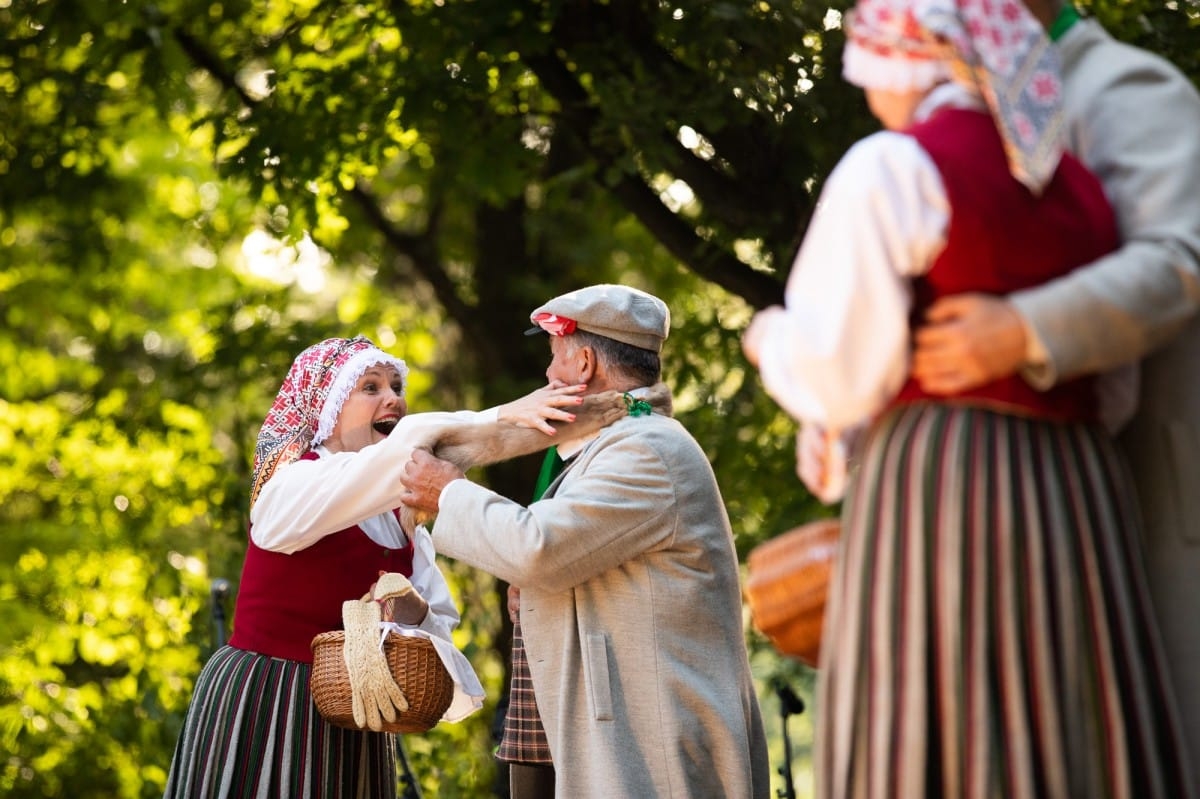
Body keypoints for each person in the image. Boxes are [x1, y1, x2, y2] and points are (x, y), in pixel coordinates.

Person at [741, 0, 1192, 793]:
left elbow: (1179, 263)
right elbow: (1111, 386)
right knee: (1068, 729)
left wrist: (773, 341)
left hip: (952, 479)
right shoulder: (1064, 172)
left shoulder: (1117, 89)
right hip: (1077, 487)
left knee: (934, 717)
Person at [909, 0, 1200, 776]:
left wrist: (1019, 328)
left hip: (1152, 506)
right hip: (1030, 507)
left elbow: (1178, 264)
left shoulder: (1125, 87)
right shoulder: (967, 106)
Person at [163, 334, 584, 799]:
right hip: (268, 697)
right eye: (371, 387)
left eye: (397, 386)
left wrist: (408, 608)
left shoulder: (401, 516)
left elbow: (438, 624)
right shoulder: (293, 484)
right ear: (329, 407)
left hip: (358, 707)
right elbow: (391, 458)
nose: (393, 398)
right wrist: (500, 418)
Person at [399, 284, 771, 799]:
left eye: (555, 360)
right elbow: (578, 558)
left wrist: (449, 494)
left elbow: (541, 549)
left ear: (585, 363)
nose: (548, 377)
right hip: (622, 732)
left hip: (652, 744)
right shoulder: (622, 443)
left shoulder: (645, 449)